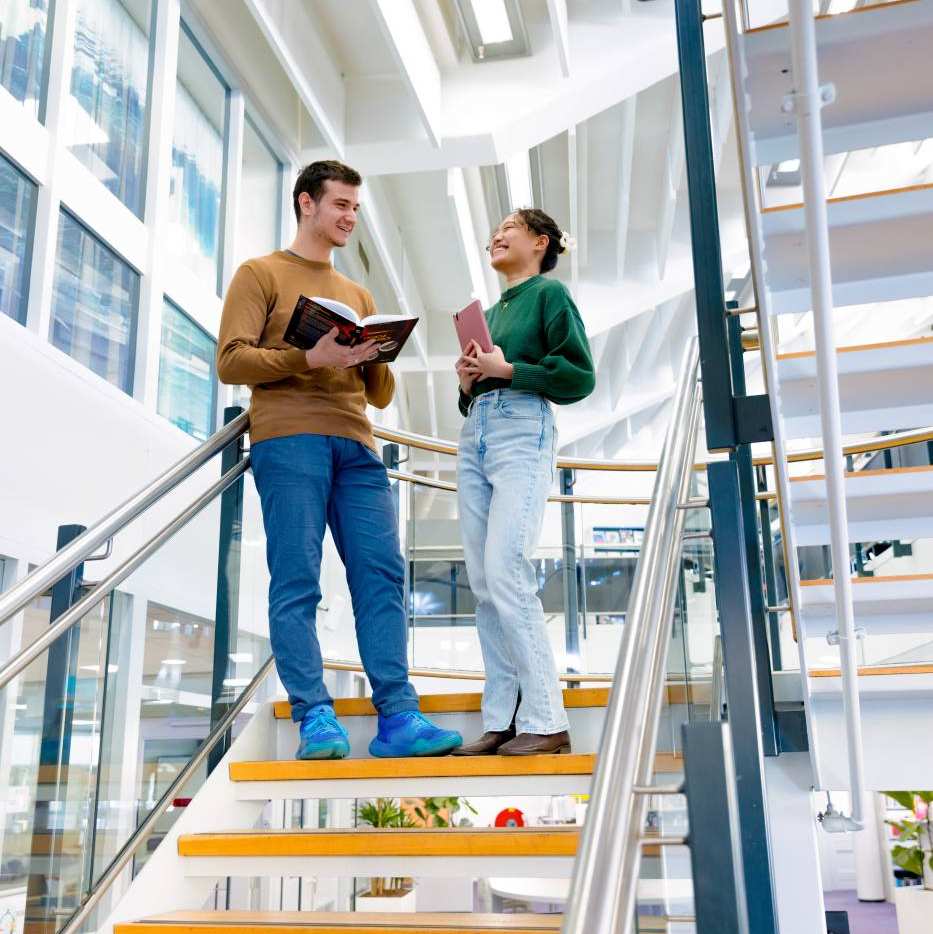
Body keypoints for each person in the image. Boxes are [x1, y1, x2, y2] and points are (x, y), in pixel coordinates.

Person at [217, 161, 462, 760]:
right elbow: (231, 361)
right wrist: (310, 358)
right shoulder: (261, 273)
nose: (351, 217)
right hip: (289, 439)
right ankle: (315, 716)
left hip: (358, 446)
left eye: (356, 207)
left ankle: (399, 719)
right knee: (298, 580)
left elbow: (378, 396)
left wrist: (370, 355)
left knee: (381, 575)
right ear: (307, 204)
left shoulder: (357, 294)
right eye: (341, 206)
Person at [452, 208, 595, 756]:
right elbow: (479, 390)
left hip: (520, 427)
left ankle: (547, 718)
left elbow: (579, 374)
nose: (496, 234)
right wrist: (470, 381)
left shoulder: (549, 296)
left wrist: (508, 371)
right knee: (485, 583)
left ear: (539, 242)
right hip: (480, 429)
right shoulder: (490, 312)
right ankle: (503, 717)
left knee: (506, 568)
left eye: (509, 228)